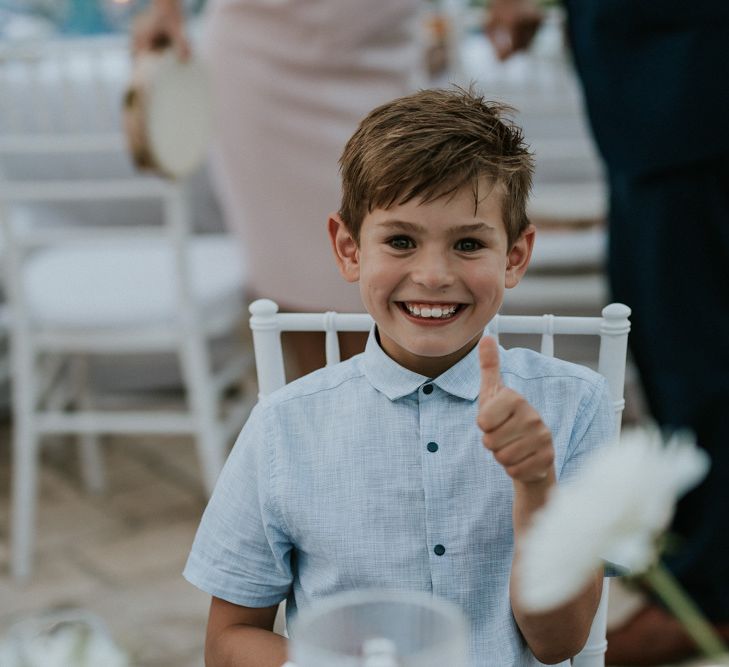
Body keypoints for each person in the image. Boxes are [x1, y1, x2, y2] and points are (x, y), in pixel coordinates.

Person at [183, 87, 616, 666]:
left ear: (514, 256)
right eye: (401, 241)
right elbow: (228, 641)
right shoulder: (284, 427)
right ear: (348, 248)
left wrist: (536, 484)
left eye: (468, 244)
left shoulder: (575, 405)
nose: (433, 275)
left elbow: (559, 642)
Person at [485, 1, 729, 663]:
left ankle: (712, 595)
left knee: (698, 356)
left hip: (689, 83)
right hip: (641, 95)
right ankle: (693, 544)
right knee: (659, 345)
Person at [132, 0, 425, 376]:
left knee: (395, 259)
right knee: (292, 279)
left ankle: (392, 419)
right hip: (258, 58)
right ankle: (319, 416)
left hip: (381, 49)